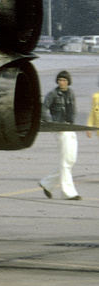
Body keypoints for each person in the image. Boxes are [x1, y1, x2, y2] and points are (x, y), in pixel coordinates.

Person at [39, 70, 82, 201]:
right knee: (65, 161)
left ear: (68, 82)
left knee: (70, 160)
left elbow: (73, 110)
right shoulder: (53, 94)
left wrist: (72, 123)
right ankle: (68, 193)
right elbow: (44, 108)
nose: (61, 82)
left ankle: (46, 183)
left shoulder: (71, 93)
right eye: (60, 80)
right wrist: (51, 122)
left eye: (64, 80)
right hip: (60, 129)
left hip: (69, 127)